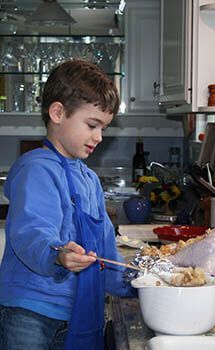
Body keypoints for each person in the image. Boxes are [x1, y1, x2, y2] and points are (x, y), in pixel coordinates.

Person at [0, 60, 135, 350]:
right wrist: (58, 254)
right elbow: (31, 232)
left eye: (104, 128)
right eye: (92, 125)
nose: (99, 137)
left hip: (78, 312)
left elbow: (106, 248)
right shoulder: (37, 169)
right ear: (58, 113)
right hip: (30, 312)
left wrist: (135, 283)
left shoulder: (90, 180)